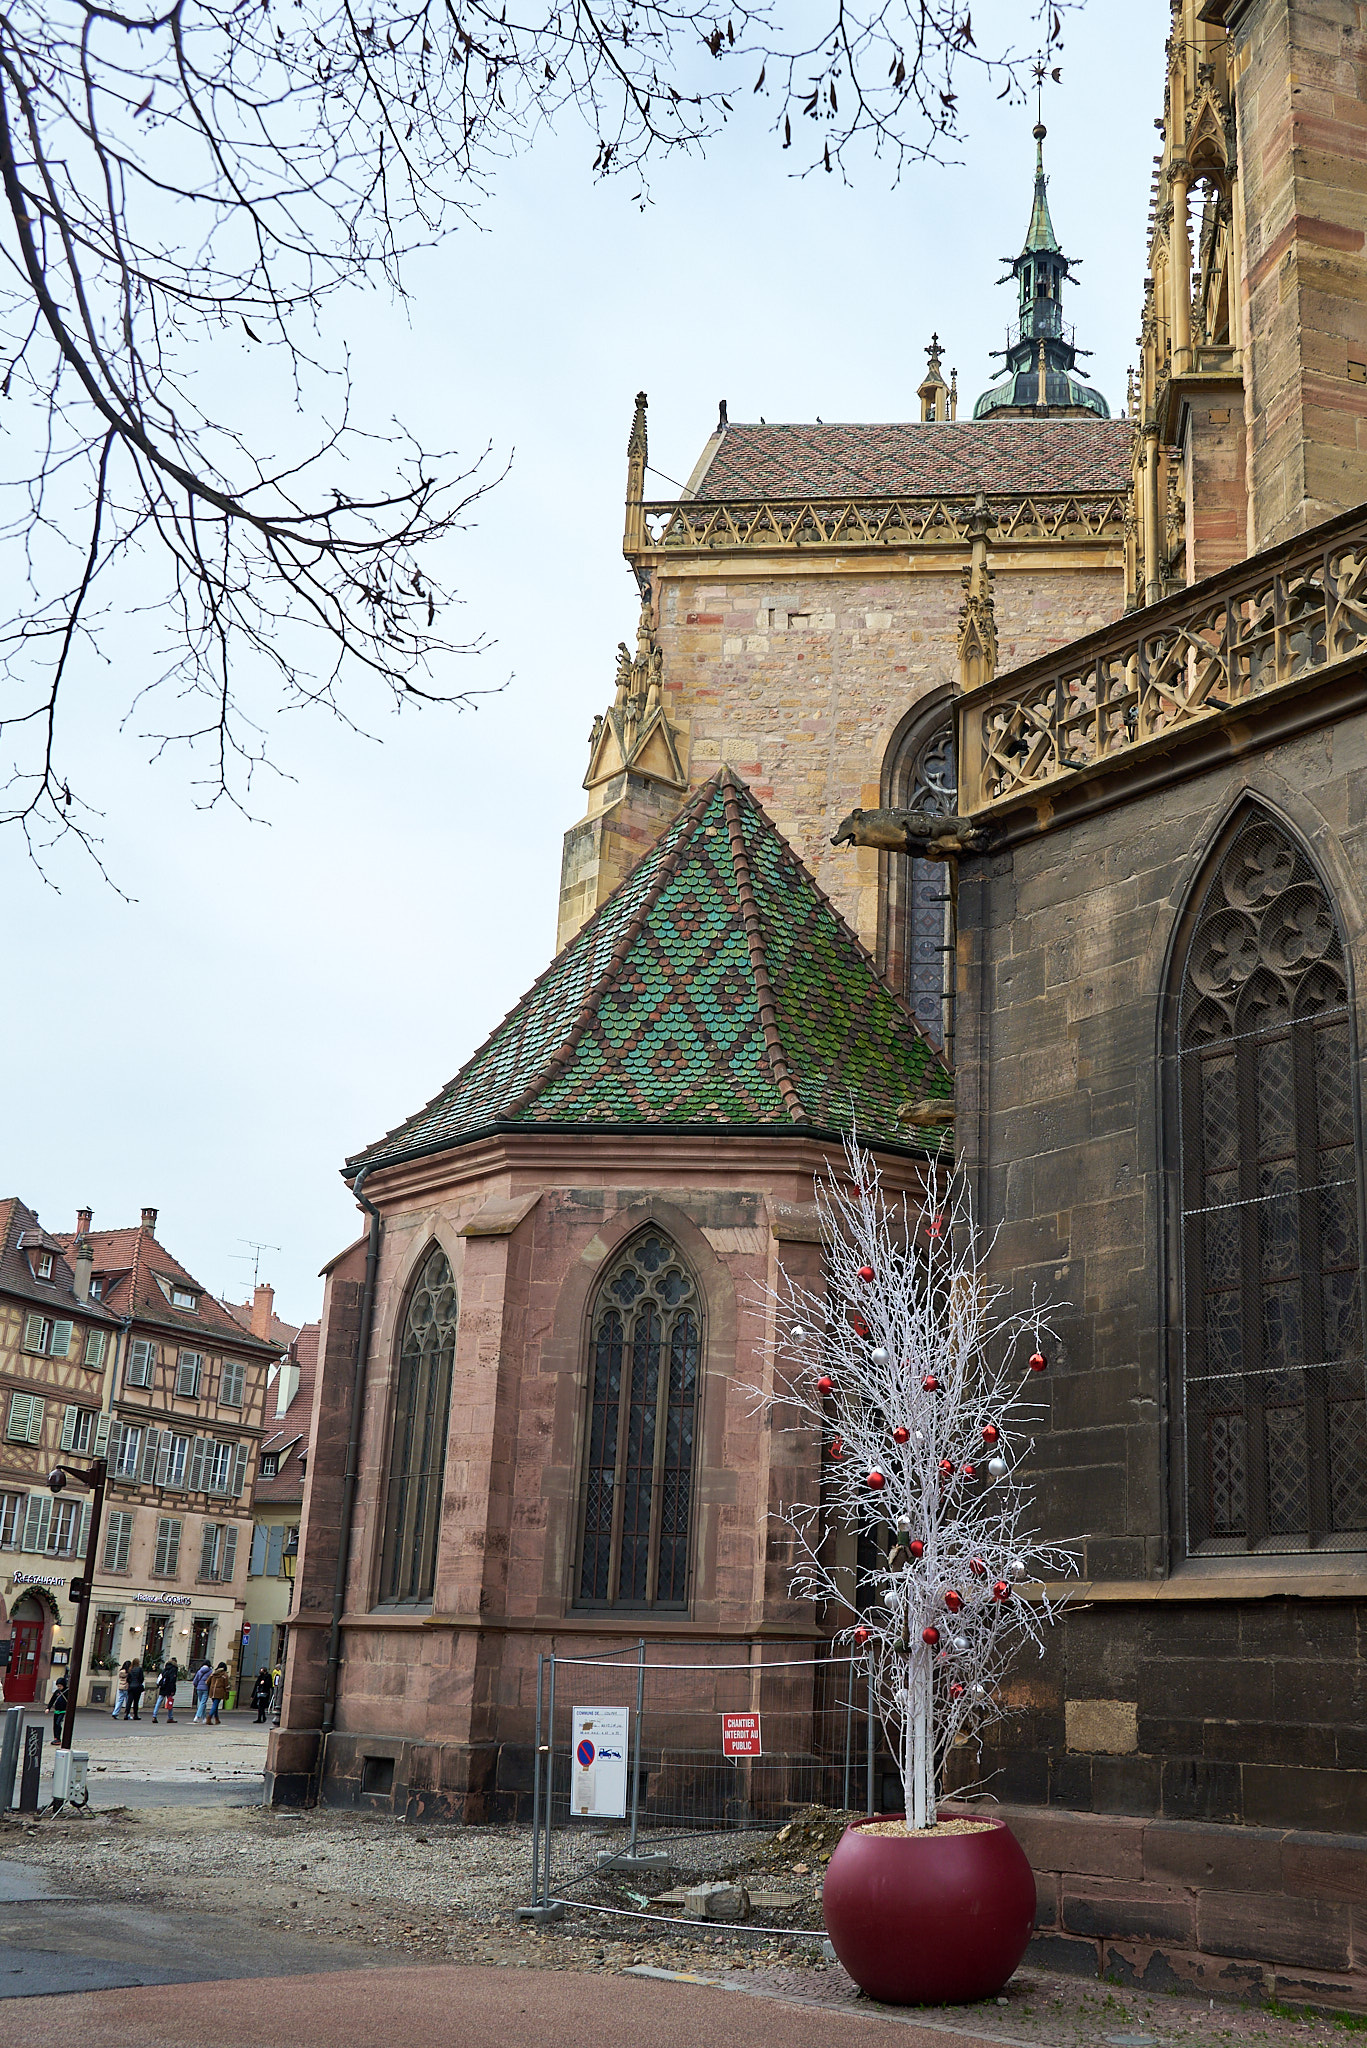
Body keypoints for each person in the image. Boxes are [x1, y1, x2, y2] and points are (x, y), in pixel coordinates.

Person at [151, 1657, 179, 1723]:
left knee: (159, 1700)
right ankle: (170, 1717)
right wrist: (173, 1690)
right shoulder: (174, 1669)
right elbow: (172, 1680)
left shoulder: (165, 1668)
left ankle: (154, 1715)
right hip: (169, 1687)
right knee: (170, 1701)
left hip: (163, 1686)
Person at [48, 1675, 69, 1745]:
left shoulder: (67, 1691)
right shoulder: (57, 1692)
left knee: (58, 1723)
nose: (59, 1687)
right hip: (57, 1710)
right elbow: (52, 1700)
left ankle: (59, 1738)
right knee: (55, 1725)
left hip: (63, 1710)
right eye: (58, 1686)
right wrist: (48, 1708)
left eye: (60, 1686)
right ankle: (56, 1738)